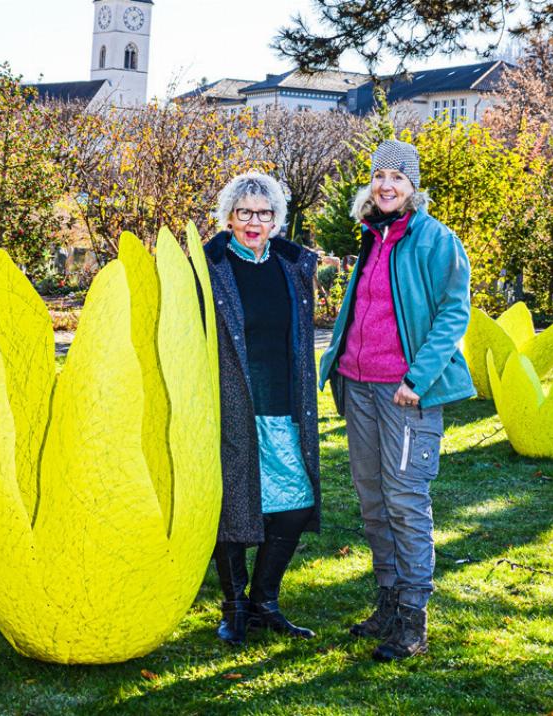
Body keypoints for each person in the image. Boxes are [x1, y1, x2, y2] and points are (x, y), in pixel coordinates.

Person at [319, 139, 476, 662]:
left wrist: (418, 378)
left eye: (398, 177)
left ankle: (413, 620)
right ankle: (387, 602)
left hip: (406, 394)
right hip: (358, 386)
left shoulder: (436, 240)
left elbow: (454, 315)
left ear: (413, 186)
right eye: (380, 175)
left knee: (406, 503)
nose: (387, 185)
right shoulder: (372, 236)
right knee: (372, 499)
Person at [204, 171, 321, 646]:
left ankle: (264, 602)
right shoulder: (210, 267)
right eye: (244, 212)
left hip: (284, 403)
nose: (254, 221)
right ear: (229, 217)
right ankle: (233, 607)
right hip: (229, 400)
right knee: (232, 504)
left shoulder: (292, 266)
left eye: (264, 212)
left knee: (296, 504)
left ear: (277, 219)